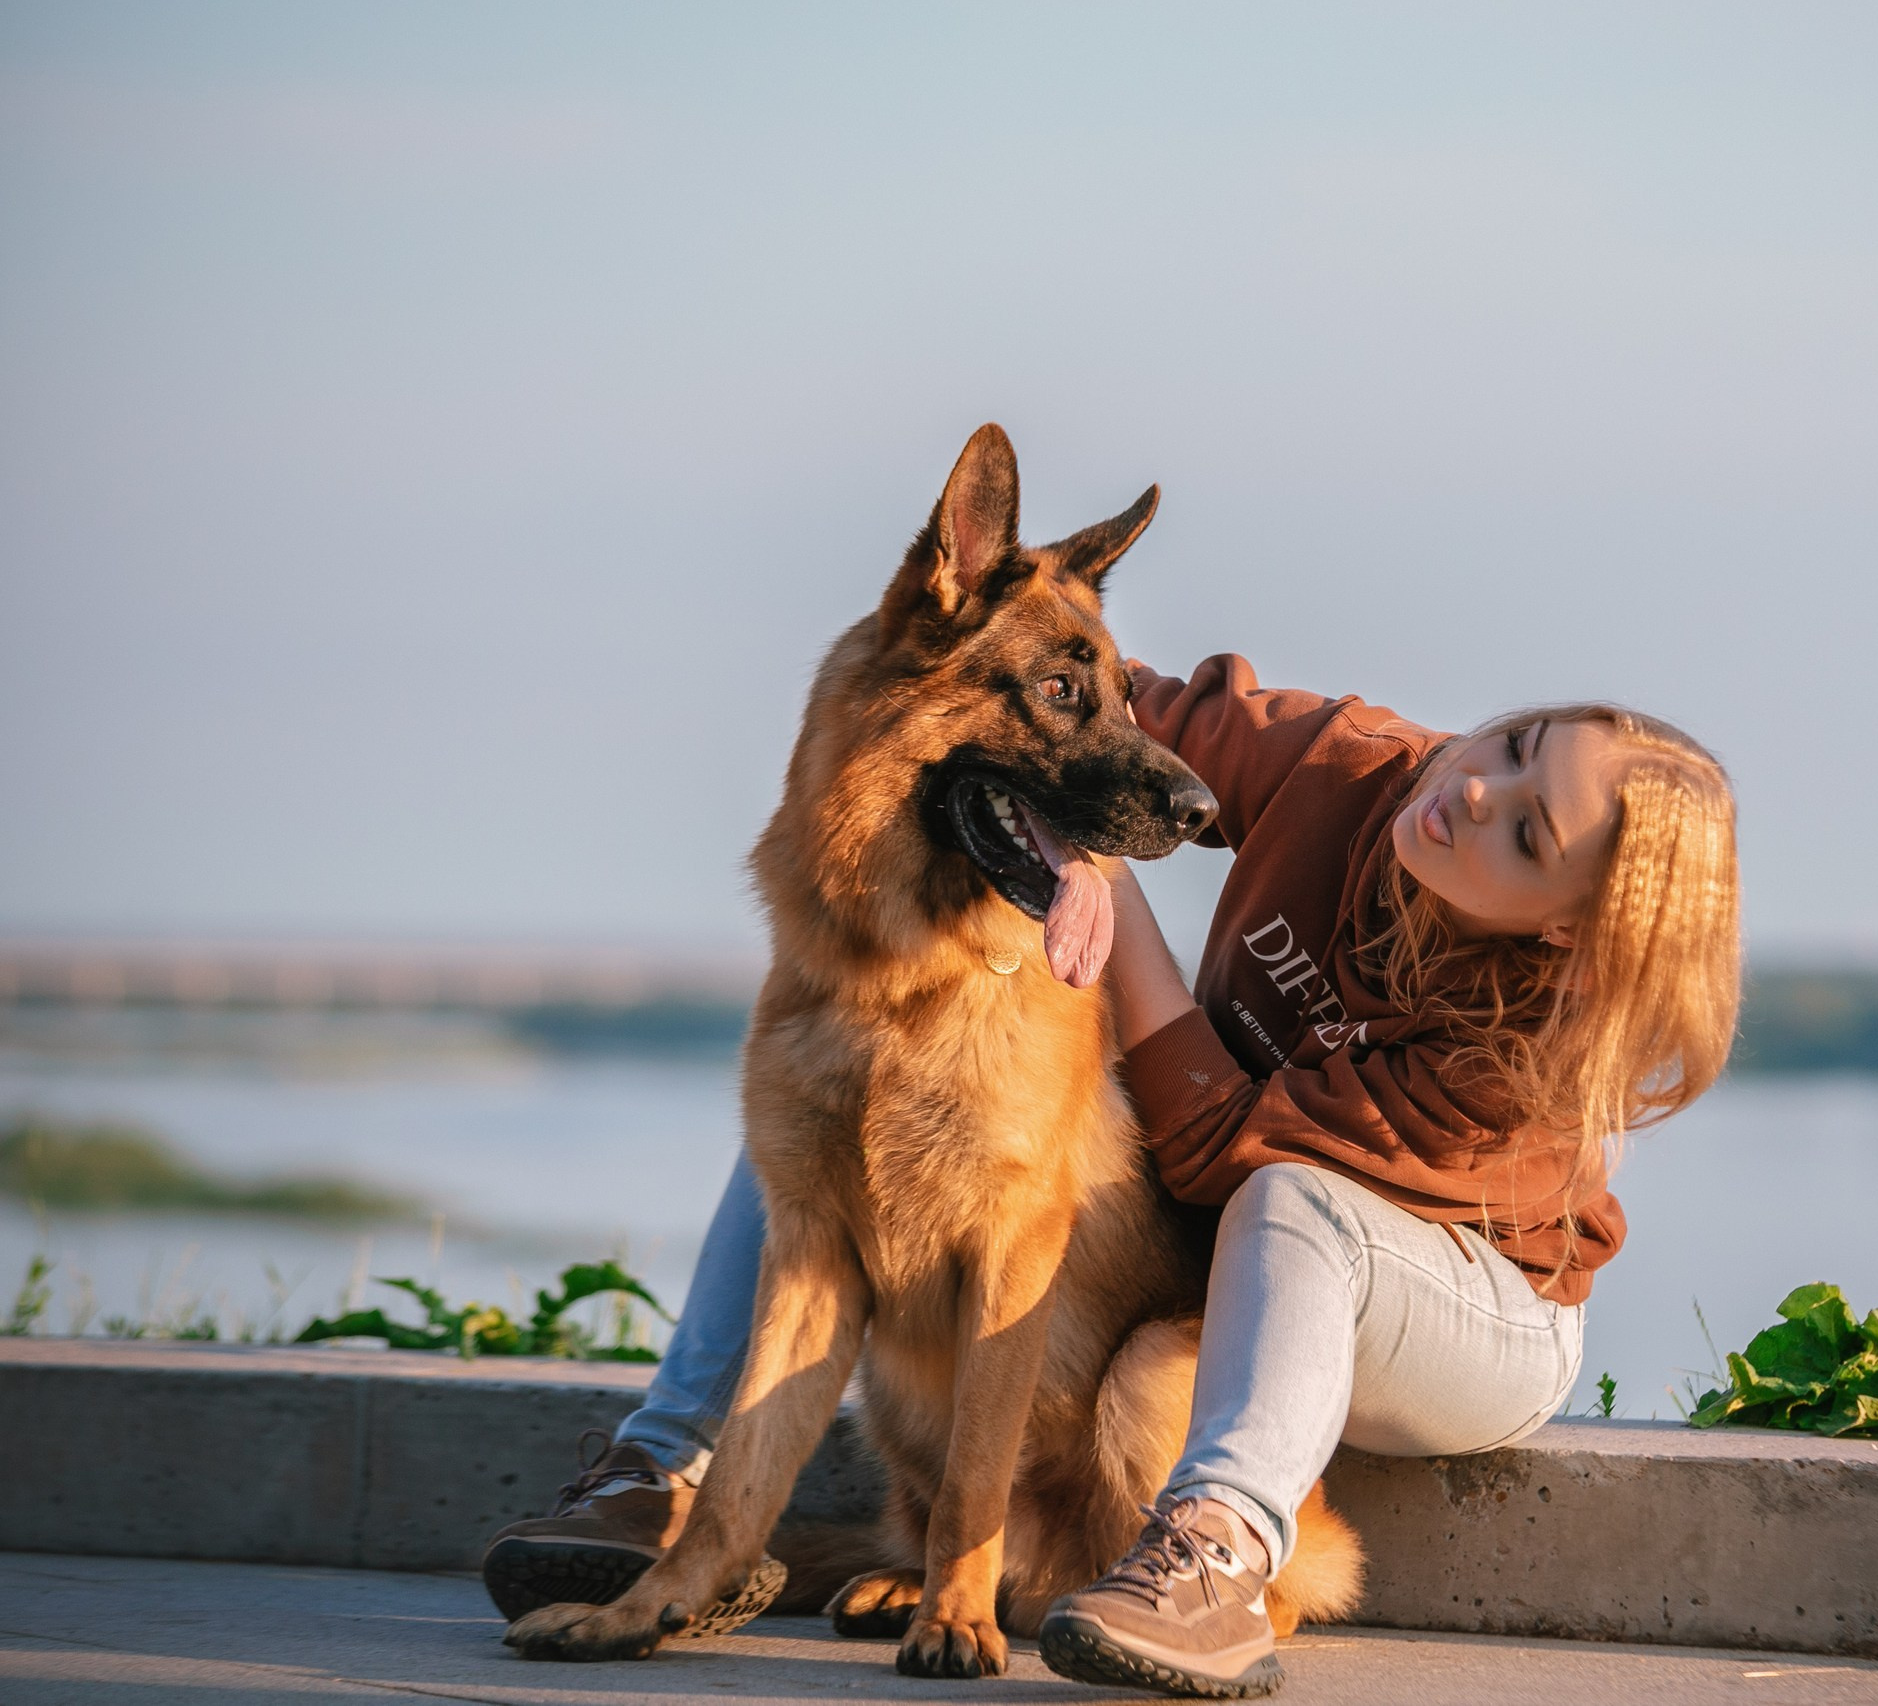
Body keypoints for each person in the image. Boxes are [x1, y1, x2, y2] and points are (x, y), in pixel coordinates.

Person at [485, 654, 1741, 1696]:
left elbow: (1219, 1157)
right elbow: (1097, 698)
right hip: (1241, 1254)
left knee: (1295, 1201)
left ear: (1571, 924)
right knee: (836, 1088)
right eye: (1512, 743)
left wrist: (1100, 891)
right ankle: (662, 1477)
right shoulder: (1361, 770)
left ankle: (1224, 1556)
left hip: (1471, 1313)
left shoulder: (1517, 1050)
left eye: (1528, 831)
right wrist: (972, 679)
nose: (1475, 791)